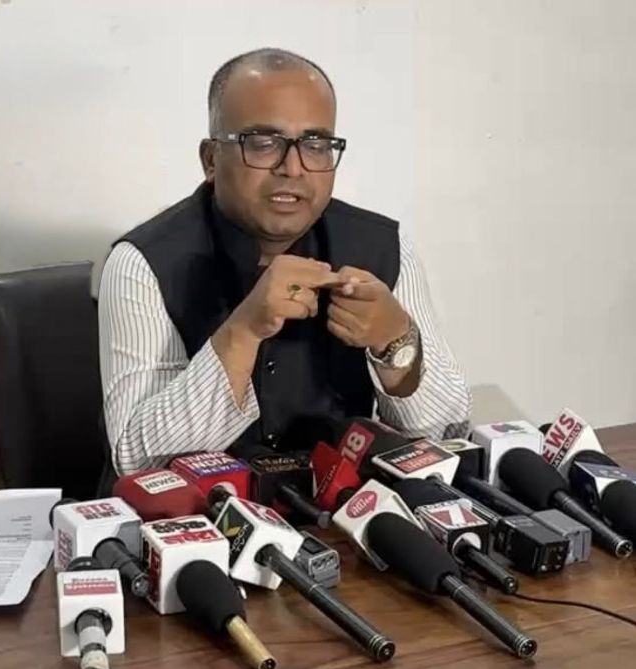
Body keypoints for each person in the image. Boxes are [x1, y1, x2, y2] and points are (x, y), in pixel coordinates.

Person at [98, 48, 471, 476]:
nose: (293, 168)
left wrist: (395, 341)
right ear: (210, 160)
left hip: (341, 506)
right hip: (199, 514)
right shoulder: (143, 263)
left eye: (316, 145)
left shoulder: (383, 247)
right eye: (263, 143)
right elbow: (136, 460)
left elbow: (449, 434)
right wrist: (243, 332)